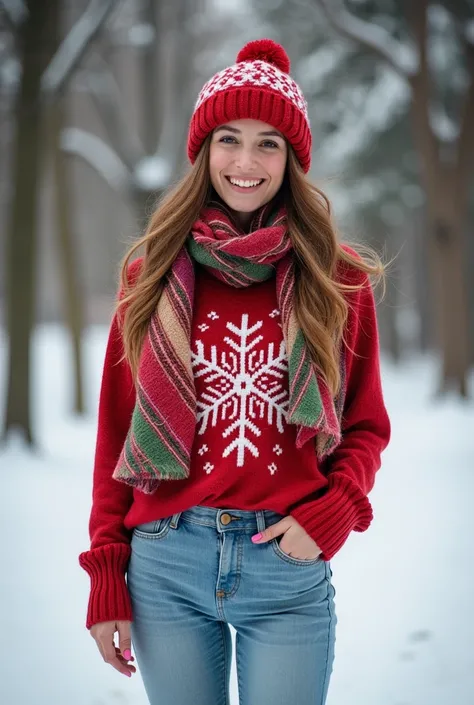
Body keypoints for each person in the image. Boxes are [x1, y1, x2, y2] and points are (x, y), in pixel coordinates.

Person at [79, 38, 391, 705]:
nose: (246, 162)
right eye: (229, 139)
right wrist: (107, 571)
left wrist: (333, 513)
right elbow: (114, 436)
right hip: (164, 562)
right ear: (203, 150)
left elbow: (365, 427)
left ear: (293, 159)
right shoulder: (150, 276)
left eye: (268, 144)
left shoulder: (337, 281)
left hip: (285, 564)